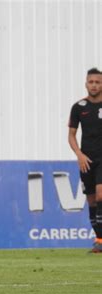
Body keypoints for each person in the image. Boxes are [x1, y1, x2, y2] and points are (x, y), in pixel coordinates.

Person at [68, 67, 102, 253]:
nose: (94, 85)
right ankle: (99, 239)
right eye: (91, 82)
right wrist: (79, 155)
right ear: (86, 84)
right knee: (91, 201)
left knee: (100, 195)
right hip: (86, 159)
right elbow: (71, 135)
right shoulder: (78, 107)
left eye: (98, 82)